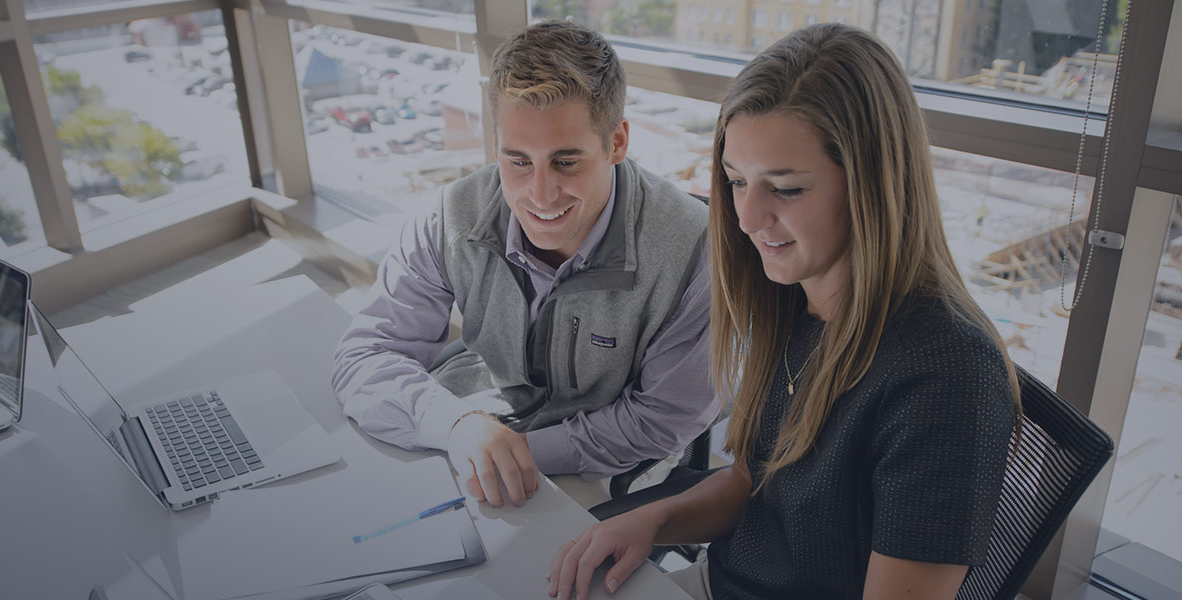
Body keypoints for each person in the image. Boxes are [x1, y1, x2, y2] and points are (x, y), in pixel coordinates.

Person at [545, 23, 1021, 600]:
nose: (747, 219)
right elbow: (755, 481)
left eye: (787, 189)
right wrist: (651, 521)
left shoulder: (947, 376)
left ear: (874, 185)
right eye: (737, 182)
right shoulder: (797, 299)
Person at [332, 20, 721, 509]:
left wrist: (508, 452)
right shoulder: (451, 214)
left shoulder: (695, 249)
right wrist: (455, 427)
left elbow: (661, 419)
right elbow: (364, 354)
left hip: (605, 467)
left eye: (565, 162)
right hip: (472, 428)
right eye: (517, 161)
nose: (538, 195)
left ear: (616, 143)